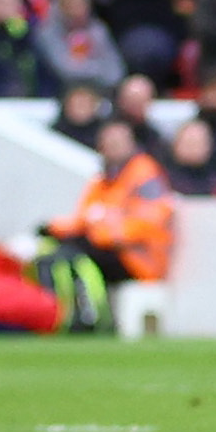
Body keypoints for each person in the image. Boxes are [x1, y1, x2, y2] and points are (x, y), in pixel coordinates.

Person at [38, 116, 174, 329]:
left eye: (118, 142)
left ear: (131, 143)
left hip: (138, 258)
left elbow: (150, 221)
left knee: (74, 255)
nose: (113, 148)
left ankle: (87, 316)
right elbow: (85, 217)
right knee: (56, 252)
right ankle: (63, 315)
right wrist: (52, 228)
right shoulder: (104, 179)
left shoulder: (144, 175)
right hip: (110, 248)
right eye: (108, 143)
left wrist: (104, 233)